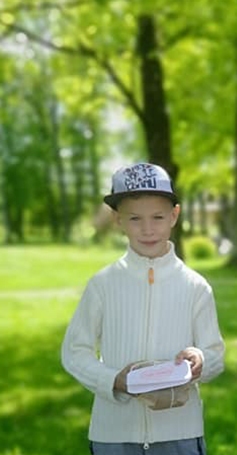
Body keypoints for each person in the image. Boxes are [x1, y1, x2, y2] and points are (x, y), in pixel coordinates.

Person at [61, 162, 225, 455]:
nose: (147, 229)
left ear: (174, 216)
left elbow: (215, 353)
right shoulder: (102, 285)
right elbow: (74, 352)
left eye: (158, 217)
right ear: (117, 220)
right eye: (135, 218)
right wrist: (114, 380)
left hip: (179, 433)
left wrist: (201, 360)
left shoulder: (195, 287)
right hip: (113, 435)